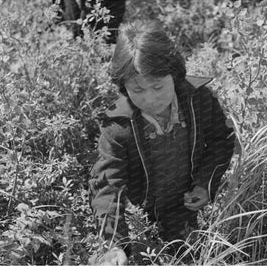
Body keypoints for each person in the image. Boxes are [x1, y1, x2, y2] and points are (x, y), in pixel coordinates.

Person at [88, 20, 235, 265]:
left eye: (158, 86)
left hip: (183, 206)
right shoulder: (118, 125)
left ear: (174, 75)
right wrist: (114, 244)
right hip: (143, 212)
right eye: (137, 90)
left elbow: (221, 140)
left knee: (189, 255)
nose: (150, 98)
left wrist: (204, 184)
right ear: (123, 86)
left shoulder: (198, 100)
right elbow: (107, 184)